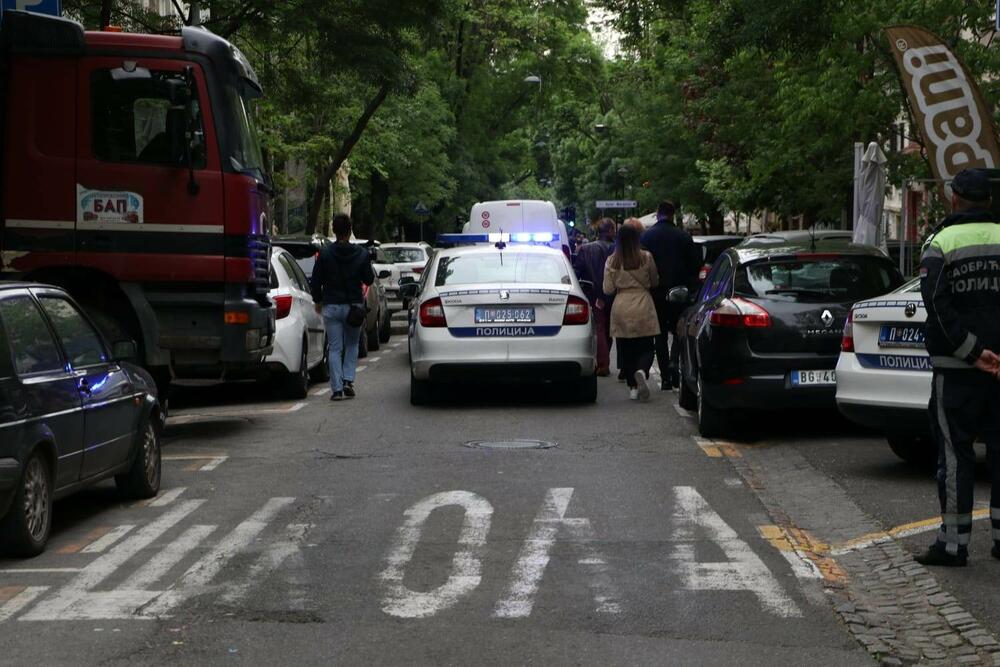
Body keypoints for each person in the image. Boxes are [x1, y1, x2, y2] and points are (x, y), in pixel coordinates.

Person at [914, 168, 1000, 567]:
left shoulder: (940, 244)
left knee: (955, 456)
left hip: (956, 370)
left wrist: (972, 352)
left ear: (954, 199)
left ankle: (953, 544)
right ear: (989, 201)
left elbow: (937, 307)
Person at [310, 214, 375, 401]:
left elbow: (316, 282)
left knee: (335, 347)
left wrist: (318, 300)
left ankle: (337, 389)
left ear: (334, 230)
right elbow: (369, 279)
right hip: (354, 307)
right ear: (350, 230)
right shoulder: (361, 254)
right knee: (352, 344)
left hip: (331, 306)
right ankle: (348, 380)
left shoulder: (325, 254)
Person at [641, 201, 700, 390]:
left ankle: (665, 376)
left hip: (656, 292)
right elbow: (695, 264)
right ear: (673, 214)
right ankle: (675, 361)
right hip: (679, 291)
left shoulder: (647, 236)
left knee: (659, 335)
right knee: (679, 330)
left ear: (658, 214)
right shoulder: (684, 237)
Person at [603, 220, 660, 401]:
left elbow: (607, 289)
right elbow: (654, 281)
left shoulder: (612, 260)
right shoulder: (646, 257)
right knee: (646, 344)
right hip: (643, 302)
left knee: (626, 348)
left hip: (621, 304)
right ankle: (642, 370)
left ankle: (632, 387)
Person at [574, 219, 616, 375]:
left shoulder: (586, 249)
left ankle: (603, 363)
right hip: (613, 293)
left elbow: (577, 271)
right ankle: (605, 362)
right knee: (608, 329)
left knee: (599, 328)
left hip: (593, 293)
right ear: (610, 231)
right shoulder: (616, 249)